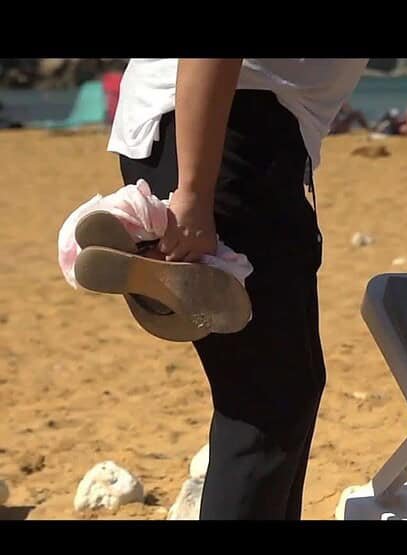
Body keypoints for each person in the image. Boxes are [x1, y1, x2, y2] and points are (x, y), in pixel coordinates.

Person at [106, 58, 368, 519]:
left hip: (236, 134)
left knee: (288, 393)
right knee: (267, 403)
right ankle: (137, 226)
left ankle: (134, 225)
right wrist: (192, 194)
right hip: (225, 132)